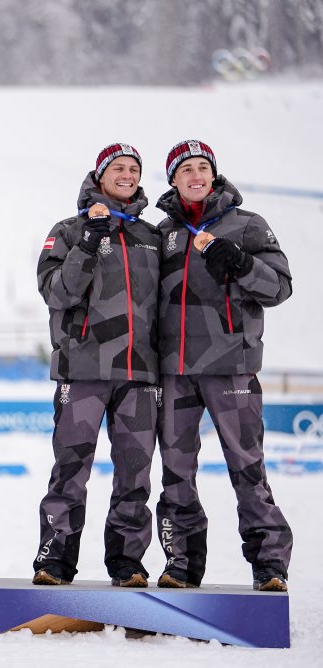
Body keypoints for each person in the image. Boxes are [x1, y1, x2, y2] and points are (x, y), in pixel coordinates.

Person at [154, 140, 293, 592]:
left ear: (213, 175)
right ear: (172, 180)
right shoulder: (162, 232)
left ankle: (270, 565)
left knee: (247, 467)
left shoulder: (248, 224)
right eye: (185, 170)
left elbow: (279, 288)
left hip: (232, 366)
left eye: (202, 168)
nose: (195, 176)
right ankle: (181, 565)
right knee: (176, 471)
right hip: (175, 371)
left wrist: (240, 262)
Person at [31, 144, 161, 587]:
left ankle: (127, 562)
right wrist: (89, 242)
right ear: (100, 176)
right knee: (69, 471)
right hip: (82, 369)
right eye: (117, 168)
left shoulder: (151, 235)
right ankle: (55, 560)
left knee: (135, 474)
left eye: (133, 169)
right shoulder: (68, 230)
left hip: (139, 373)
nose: (126, 175)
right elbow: (56, 293)